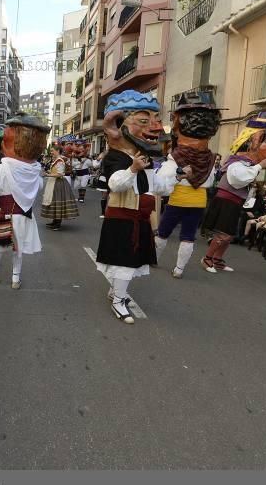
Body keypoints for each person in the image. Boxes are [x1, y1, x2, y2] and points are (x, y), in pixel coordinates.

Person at [95, 90, 177, 324]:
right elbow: (114, 184)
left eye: (155, 121)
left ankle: (116, 293)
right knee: (125, 263)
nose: (155, 127)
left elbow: (159, 187)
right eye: (143, 121)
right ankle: (118, 301)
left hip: (140, 219)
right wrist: (133, 169)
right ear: (119, 127)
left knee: (132, 262)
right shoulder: (115, 157)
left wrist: (175, 170)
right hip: (121, 219)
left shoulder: (145, 158)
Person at [200, 111, 266, 273]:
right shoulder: (239, 161)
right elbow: (236, 179)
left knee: (228, 235)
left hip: (234, 202)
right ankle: (207, 259)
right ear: (258, 140)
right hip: (226, 201)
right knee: (223, 235)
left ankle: (217, 259)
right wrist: (259, 167)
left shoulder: (247, 163)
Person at [0, 113, 49, 290]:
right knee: (18, 247)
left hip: (6, 214)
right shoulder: (34, 170)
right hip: (25, 214)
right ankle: (16, 278)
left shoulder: (2, 168)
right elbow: (38, 187)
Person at [154, 91, 222, 279]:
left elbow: (159, 184)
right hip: (199, 201)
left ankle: (154, 258)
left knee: (163, 232)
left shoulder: (175, 159)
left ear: (177, 121)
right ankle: (179, 269)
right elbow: (211, 181)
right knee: (188, 236)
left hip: (177, 200)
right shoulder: (211, 160)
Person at [40, 142, 79, 230]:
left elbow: (60, 174)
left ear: (58, 151)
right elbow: (55, 172)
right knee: (53, 201)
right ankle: (55, 221)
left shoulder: (60, 161)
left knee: (57, 201)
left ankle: (57, 224)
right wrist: (48, 173)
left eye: (53, 151)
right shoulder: (56, 160)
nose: (51, 152)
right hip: (54, 182)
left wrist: (47, 175)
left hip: (58, 184)